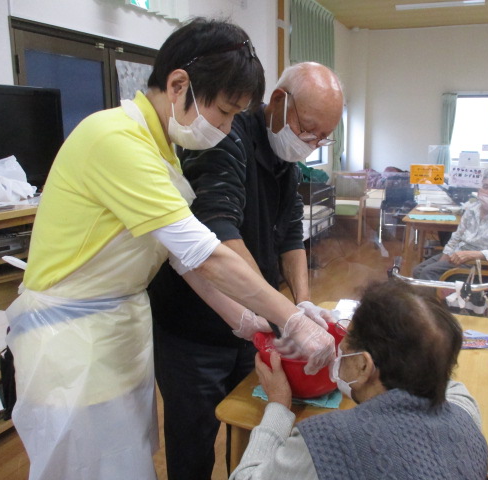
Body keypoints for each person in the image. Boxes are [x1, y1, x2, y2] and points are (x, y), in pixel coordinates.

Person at [5, 18, 334, 480]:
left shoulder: (161, 150)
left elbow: (180, 259)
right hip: (71, 344)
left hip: (117, 335)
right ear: (179, 84)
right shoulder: (114, 139)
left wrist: (239, 317)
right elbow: (205, 252)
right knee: (84, 468)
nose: (224, 129)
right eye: (223, 113)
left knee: (126, 463)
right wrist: (291, 317)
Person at [148, 62, 345, 480]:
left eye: (322, 138)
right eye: (308, 130)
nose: (311, 143)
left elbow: (292, 233)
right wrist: (283, 315)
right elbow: (217, 234)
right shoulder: (227, 137)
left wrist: (302, 302)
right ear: (278, 101)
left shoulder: (285, 157)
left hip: (253, 321)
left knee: (250, 429)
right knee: (193, 444)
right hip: (193, 328)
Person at [229, 279, 488, 480]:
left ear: (364, 366)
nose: (339, 345)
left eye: (347, 341)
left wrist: (277, 405)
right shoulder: (466, 414)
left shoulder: (326, 444)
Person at [412, 167, 488, 280]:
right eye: (486, 187)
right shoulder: (472, 209)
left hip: (483, 265)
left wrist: (472, 254)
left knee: (428, 273)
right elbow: (456, 237)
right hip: (459, 255)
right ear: (479, 190)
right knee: (418, 271)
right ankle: (436, 297)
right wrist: (445, 256)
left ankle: (435, 297)